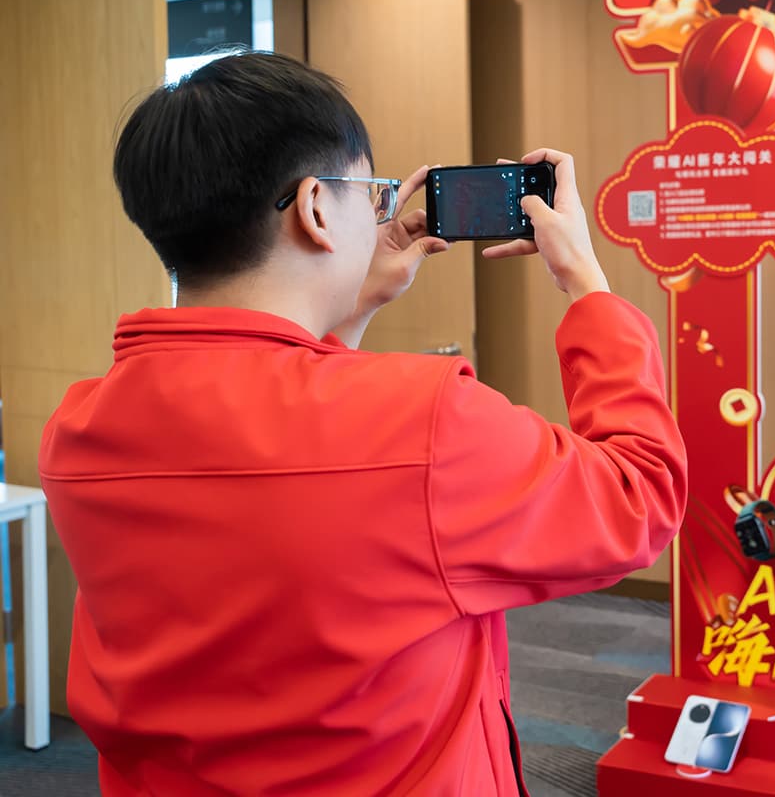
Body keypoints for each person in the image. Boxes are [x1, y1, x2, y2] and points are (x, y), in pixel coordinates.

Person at [38, 52, 687, 796]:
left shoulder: (80, 428)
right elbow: (640, 497)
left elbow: (285, 471)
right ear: (316, 208)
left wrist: (352, 305)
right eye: (371, 193)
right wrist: (586, 284)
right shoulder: (424, 422)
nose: (380, 214)